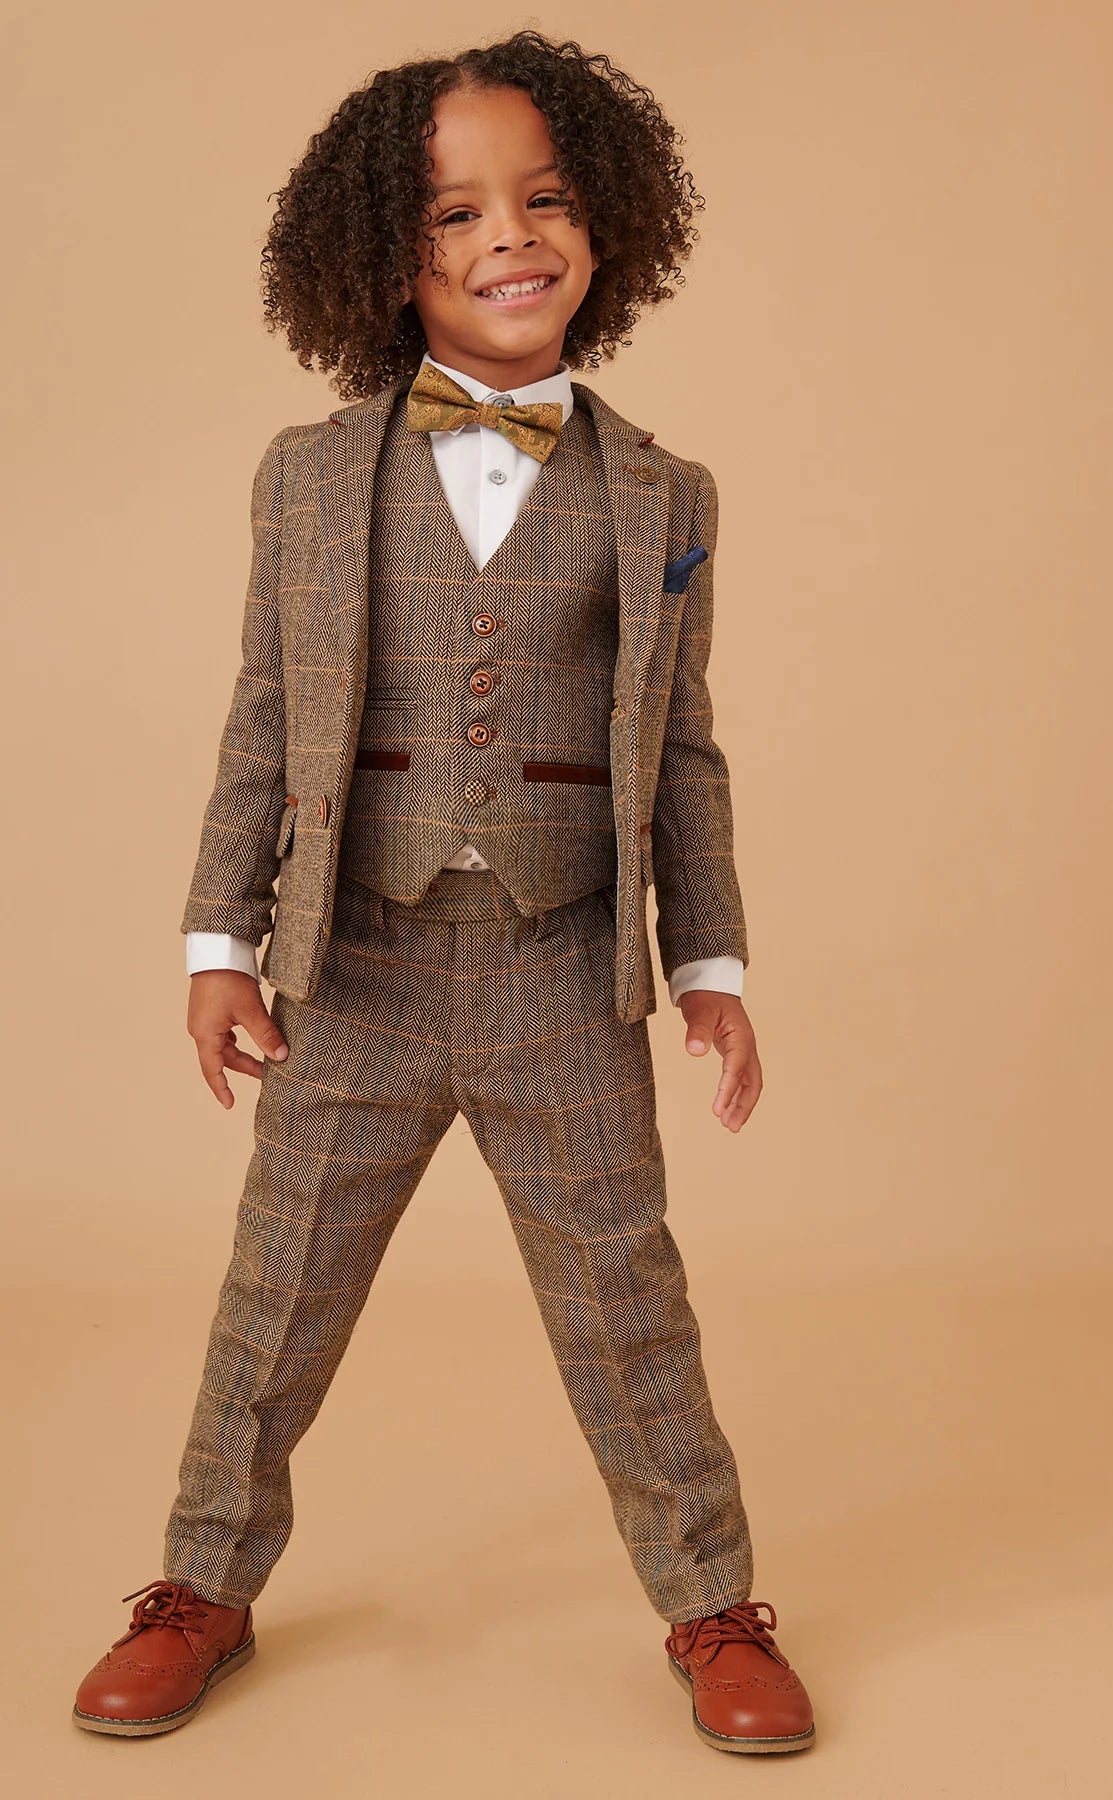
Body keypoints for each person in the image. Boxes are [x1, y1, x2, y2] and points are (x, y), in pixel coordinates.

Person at [72, 30, 814, 1755]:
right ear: (381, 262)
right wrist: (219, 942)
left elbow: (682, 751)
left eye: (544, 201)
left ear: (607, 225)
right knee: (278, 1290)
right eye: (456, 216)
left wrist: (709, 965)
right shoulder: (312, 476)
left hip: (565, 971)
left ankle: (711, 1603)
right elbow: (265, 712)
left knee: (627, 1302)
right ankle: (201, 1586)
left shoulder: (664, 493)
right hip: (357, 964)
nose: (510, 239)